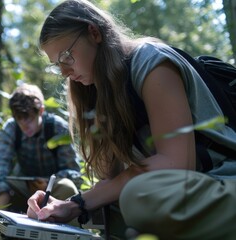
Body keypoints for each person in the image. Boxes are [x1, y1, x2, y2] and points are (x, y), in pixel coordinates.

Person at [26, 0, 236, 239]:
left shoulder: (152, 62)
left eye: (66, 57)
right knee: (111, 206)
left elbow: (176, 164)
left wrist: (79, 204)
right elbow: (111, 178)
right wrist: (64, 206)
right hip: (183, 193)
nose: (64, 72)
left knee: (136, 196)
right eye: (57, 65)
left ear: (94, 33)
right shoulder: (99, 89)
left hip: (223, 178)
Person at [0, 83, 82, 212]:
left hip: (52, 193)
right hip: (21, 192)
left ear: (41, 111)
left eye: (29, 119)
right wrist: (2, 190)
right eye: (19, 119)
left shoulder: (58, 128)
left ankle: (54, 228)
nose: (24, 125)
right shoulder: (12, 127)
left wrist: (49, 182)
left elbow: (74, 172)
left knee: (66, 186)